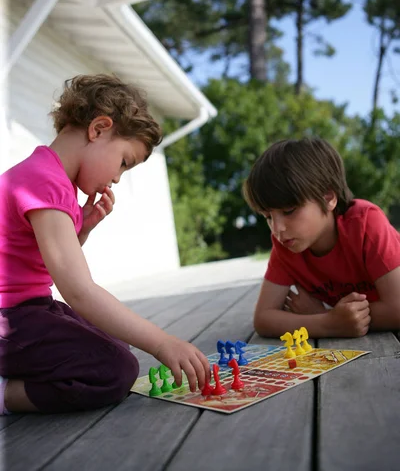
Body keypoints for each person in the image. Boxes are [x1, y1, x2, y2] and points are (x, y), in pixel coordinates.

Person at [0, 74, 210, 415]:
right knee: (116, 370)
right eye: (124, 162)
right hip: (10, 317)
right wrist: (162, 342)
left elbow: (39, 263)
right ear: (99, 128)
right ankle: (6, 395)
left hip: (28, 310)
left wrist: (82, 229)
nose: (116, 178)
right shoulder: (45, 183)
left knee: (114, 341)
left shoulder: (51, 178)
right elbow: (79, 291)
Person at [243, 137, 400, 338]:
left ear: (328, 198)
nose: (277, 228)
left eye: (289, 210)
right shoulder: (286, 245)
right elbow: (263, 319)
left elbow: (397, 309)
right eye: (268, 217)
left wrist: (326, 316)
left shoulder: (365, 224)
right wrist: (328, 322)